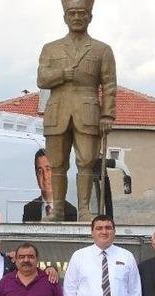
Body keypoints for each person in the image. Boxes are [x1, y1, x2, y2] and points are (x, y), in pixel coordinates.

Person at [37, 0, 116, 222]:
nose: (77, 17)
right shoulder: (50, 48)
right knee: (57, 163)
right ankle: (58, 210)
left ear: (90, 17)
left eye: (82, 13)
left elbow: (109, 86)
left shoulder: (102, 50)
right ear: (65, 17)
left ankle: (83, 211)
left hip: (88, 112)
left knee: (87, 163)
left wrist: (108, 114)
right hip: (57, 112)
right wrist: (62, 74)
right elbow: (41, 79)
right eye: (72, 13)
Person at [22, 148, 78, 222]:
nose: (45, 176)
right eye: (40, 171)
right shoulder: (29, 209)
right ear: (36, 176)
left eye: (48, 169)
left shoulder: (70, 211)